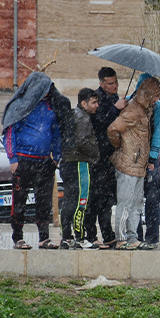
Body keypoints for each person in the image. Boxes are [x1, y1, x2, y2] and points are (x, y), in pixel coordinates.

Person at [1, 72, 63, 249]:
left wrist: (56, 158)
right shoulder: (20, 107)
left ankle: (44, 238)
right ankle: (18, 237)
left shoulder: (50, 107)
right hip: (23, 160)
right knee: (19, 201)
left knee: (44, 202)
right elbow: (10, 133)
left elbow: (56, 133)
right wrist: (12, 158)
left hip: (45, 162)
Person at [107, 76, 160, 250]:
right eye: (155, 95)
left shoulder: (144, 110)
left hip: (138, 166)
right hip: (128, 164)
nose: (157, 100)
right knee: (125, 203)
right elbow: (113, 129)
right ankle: (122, 238)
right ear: (147, 94)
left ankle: (132, 237)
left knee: (137, 204)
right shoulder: (133, 110)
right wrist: (121, 147)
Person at [84, 67, 123, 249]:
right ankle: (91, 234)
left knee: (107, 200)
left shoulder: (116, 98)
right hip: (96, 157)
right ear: (101, 83)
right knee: (94, 199)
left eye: (116, 82)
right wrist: (115, 109)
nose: (114, 85)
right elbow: (100, 124)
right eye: (110, 83)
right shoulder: (96, 99)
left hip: (111, 157)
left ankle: (108, 234)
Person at [59, 88, 101, 249]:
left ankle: (66, 237)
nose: (97, 105)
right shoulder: (83, 118)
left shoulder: (72, 114)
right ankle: (80, 238)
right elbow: (82, 141)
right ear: (84, 103)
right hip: (79, 163)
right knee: (81, 201)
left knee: (69, 200)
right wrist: (95, 154)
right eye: (94, 102)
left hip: (67, 163)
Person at [128, 74, 160, 249]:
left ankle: (152, 237)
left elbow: (159, 133)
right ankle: (134, 235)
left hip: (148, 158)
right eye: (155, 95)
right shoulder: (129, 104)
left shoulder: (158, 108)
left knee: (151, 197)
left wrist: (152, 156)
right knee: (133, 198)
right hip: (132, 158)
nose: (157, 100)